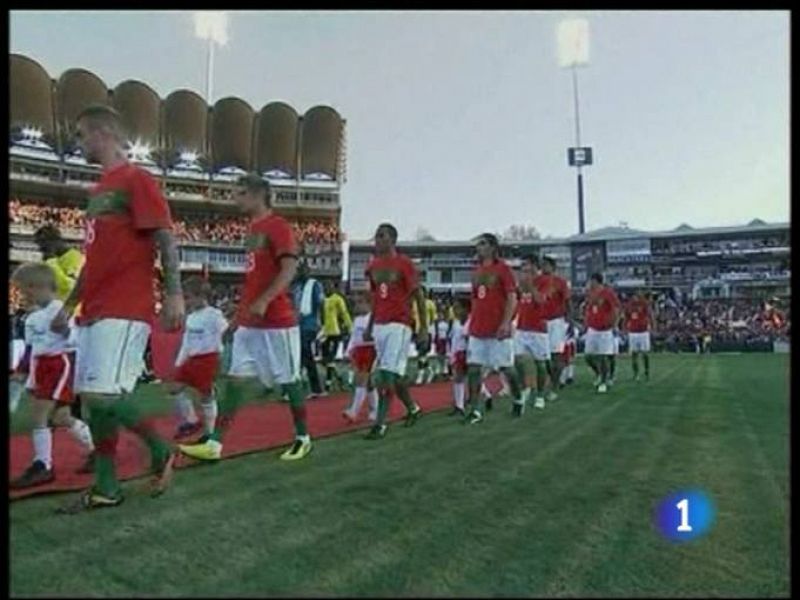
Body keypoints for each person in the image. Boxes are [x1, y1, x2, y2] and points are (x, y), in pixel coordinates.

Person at [52, 104, 184, 513]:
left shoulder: (136, 179)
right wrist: (70, 305)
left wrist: (175, 292)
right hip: (95, 308)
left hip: (126, 307)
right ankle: (106, 487)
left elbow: (165, 237)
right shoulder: (98, 194)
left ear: (102, 132)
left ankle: (161, 450)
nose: (78, 143)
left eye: (81, 134)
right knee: (92, 404)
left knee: (101, 396)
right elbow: (97, 260)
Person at [179, 174, 312, 462]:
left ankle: (303, 438)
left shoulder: (277, 227)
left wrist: (265, 300)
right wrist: (238, 319)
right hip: (251, 324)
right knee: (236, 380)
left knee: (289, 381)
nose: (235, 198)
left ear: (256, 195)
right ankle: (215, 443)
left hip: (278, 321)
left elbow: (288, 269)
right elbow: (253, 281)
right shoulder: (252, 230)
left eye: (239, 193)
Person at [10, 263, 95, 489]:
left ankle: (43, 466)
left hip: (57, 364)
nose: (22, 295)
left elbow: (73, 341)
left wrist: (66, 331)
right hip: (42, 366)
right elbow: (30, 348)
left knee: (39, 415)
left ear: (36, 287)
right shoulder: (31, 318)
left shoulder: (60, 310)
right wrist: (22, 370)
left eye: (24, 289)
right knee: (61, 417)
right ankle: (97, 450)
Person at [362, 223, 426, 440]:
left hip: (399, 324)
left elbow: (418, 295)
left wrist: (424, 327)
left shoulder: (404, 264)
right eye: (376, 236)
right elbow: (375, 299)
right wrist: (370, 326)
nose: (377, 240)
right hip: (380, 324)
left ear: (393, 239)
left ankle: (380, 424)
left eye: (382, 236)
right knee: (396, 377)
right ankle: (413, 408)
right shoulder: (373, 266)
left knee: (386, 375)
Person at [464, 233, 524, 423]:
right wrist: (470, 324)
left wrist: (506, 322)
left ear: (492, 247)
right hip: (478, 329)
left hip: (498, 329)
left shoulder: (503, 270)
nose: (478, 248)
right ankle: (475, 410)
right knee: (473, 369)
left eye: (482, 244)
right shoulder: (476, 272)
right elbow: (475, 300)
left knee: (507, 369)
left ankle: (518, 398)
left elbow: (512, 298)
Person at [33, 224, 85, 421]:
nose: (42, 251)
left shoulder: (75, 258)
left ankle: (74, 410)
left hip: (74, 318)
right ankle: (59, 408)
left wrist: (52, 262)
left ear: (54, 242)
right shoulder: (52, 260)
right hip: (57, 318)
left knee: (71, 365)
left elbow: (71, 286)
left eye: (43, 246)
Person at [170, 277, 228, 440]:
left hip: (207, 358)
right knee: (174, 388)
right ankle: (192, 420)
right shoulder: (191, 317)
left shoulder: (214, 315)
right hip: (192, 359)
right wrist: (179, 362)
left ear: (200, 296)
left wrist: (219, 356)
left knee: (205, 395)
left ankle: (209, 432)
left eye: (188, 297)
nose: (186, 301)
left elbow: (224, 332)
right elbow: (187, 341)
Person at [514, 255, 551, 411]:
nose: (524, 270)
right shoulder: (521, 282)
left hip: (538, 329)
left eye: (527, 266)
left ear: (535, 267)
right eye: (523, 267)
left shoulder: (545, 281)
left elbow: (541, 301)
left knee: (540, 365)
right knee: (517, 360)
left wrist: (531, 286)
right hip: (522, 327)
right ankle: (525, 388)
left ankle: (540, 395)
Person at [341, 291, 378, 423]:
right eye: (356, 303)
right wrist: (348, 351)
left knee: (360, 378)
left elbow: (376, 336)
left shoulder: (372, 319)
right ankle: (375, 409)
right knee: (368, 382)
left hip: (369, 349)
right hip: (359, 350)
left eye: (360, 302)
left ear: (369, 304)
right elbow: (353, 338)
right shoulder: (357, 320)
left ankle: (354, 411)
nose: (357, 306)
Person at [538, 256, 571, 400]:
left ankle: (554, 388)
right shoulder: (537, 282)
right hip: (540, 322)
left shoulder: (560, 282)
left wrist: (569, 321)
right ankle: (550, 381)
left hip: (556, 322)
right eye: (542, 265)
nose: (543, 268)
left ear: (553, 267)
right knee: (543, 358)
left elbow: (568, 302)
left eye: (546, 265)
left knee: (556, 355)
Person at [582, 273, 621, 394]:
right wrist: (586, 322)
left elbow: (616, 308)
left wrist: (614, 324)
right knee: (588, 356)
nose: (589, 284)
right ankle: (599, 374)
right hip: (592, 329)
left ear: (596, 281)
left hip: (605, 329)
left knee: (603, 356)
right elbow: (589, 309)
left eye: (591, 281)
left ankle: (604, 381)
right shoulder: (590, 294)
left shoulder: (608, 293)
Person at [291, 261, 325, 398]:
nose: (301, 273)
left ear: (309, 271)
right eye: (299, 270)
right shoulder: (296, 286)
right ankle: (313, 388)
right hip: (296, 324)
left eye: (303, 270)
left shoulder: (314, 284)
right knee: (301, 355)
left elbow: (321, 303)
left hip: (309, 324)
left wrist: (321, 322)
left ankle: (311, 387)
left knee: (304, 352)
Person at [320, 280, 352, 393]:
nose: (327, 289)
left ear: (333, 287)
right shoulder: (323, 300)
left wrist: (349, 328)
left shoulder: (338, 299)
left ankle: (327, 386)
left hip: (335, 333)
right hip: (324, 334)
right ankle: (339, 380)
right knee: (326, 361)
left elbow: (344, 314)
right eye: (325, 287)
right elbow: (321, 317)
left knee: (330, 359)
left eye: (329, 286)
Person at [624, 289, 654, 381]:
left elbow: (650, 314)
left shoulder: (644, 304)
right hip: (633, 332)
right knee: (634, 354)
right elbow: (626, 317)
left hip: (643, 331)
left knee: (645, 354)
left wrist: (652, 325)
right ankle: (636, 374)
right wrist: (625, 327)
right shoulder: (629, 305)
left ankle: (646, 372)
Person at [447, 296, 470, 416]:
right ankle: (459, 406)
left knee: (473, 379)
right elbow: (454, 340)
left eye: (458, 308)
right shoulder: (455, 323)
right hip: (458, 353)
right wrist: (451, 355)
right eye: (454, 308)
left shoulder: (471, 321)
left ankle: (486, 396)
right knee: (458, 378)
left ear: (466, 309)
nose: (455, 311)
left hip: (469, 353)